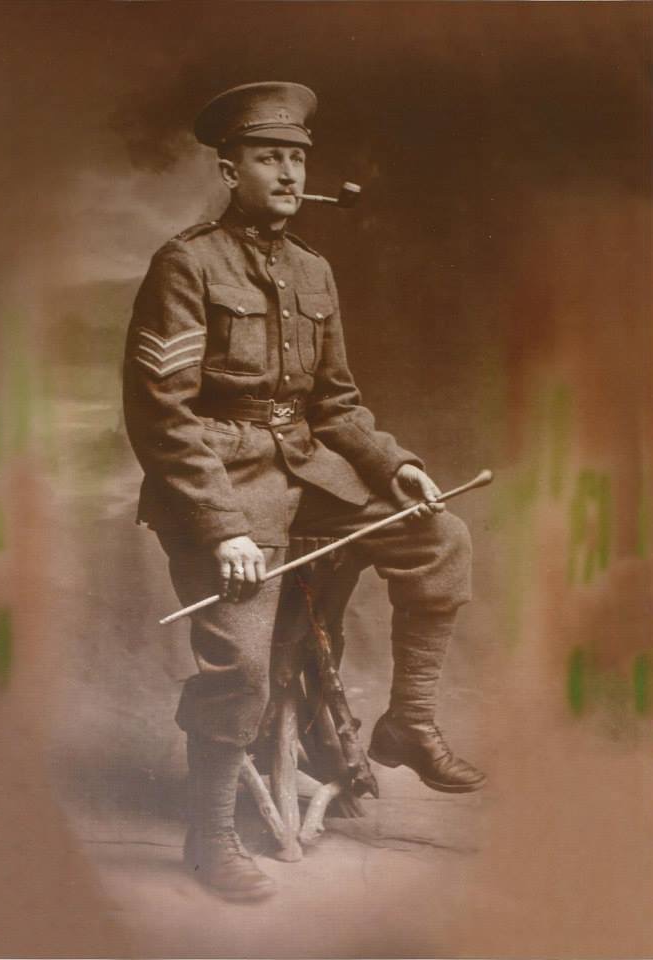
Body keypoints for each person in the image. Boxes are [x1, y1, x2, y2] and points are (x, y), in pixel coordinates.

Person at [123, 82, 484, 902]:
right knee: (242, 663)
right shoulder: (186, 264)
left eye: (297, 158)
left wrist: (394, 467)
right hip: (220, 482)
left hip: (305, 469)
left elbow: (337, 404)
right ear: (230, 170)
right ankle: (211, 837)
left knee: (439, 538)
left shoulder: (313, 269)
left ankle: (408, 723)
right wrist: (222, 528)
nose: (289, 174)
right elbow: (162, 417)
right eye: (268, 157)